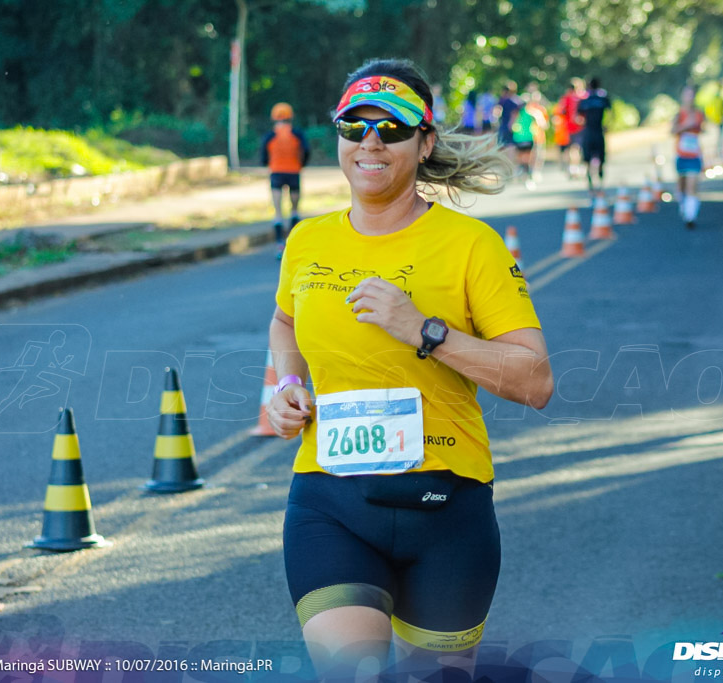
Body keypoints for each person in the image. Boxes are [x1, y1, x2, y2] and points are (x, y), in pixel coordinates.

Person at [267, 58, 553, 680]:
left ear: (424, 144)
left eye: (392, 128)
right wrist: (286, 387)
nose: (371, 142)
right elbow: (285, 322)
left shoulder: (471, 245)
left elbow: (534, 381)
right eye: (355, 126)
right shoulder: (307, 241)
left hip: (447, 508)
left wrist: (425, 330)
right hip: (330, 499)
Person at [260, 102, 310, 259]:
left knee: (278, 211)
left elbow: (263, 156)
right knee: (294, 209)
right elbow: (307, 150)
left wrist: (269, 163)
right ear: (291, 117)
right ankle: (292, 242)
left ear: (274, 118)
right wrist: (301, 164)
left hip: (276, 173)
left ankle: (279, 244)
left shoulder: (270, 136)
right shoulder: (297, 134)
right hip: (294, 172)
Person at [671, 85, 706, 229]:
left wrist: (697, 128)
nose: (689, 98)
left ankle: (690, 216)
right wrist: (685, 126)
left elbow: (703, 129)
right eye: (687, 95)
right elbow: (672, 131)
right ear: (682, 97)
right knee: (681, 186)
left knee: (692, 185)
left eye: (691, 95)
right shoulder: (679, 114)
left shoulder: (699, 113)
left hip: (694, 155)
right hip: (681, 155)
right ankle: (684, 205)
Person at [577, 77, 611, 194]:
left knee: (587, 158)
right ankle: (601, 183)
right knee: (601, 157)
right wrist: (606, 125)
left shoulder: (584, 100)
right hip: (599, 131)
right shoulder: (603, 98)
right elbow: (610, 113)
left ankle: (590, 182)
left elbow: (578, 117)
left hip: (588, 131)